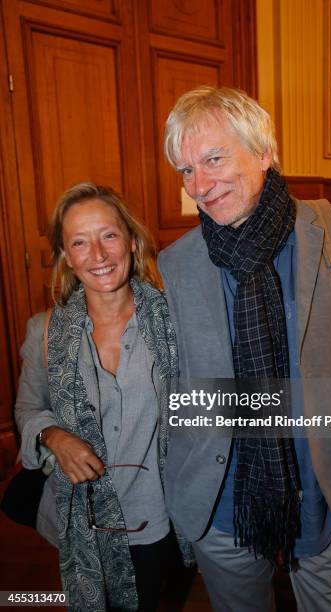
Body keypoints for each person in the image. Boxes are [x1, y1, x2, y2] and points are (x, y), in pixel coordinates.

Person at [158, 86, 331, 612]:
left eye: (214, 158)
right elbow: (175, 392)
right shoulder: (175, 264)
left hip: (329, 493)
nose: (200, 184)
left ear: (264, 151)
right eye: (186, 170)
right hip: (223, 504)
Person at [14, 182, 190, 611]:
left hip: (159, 516)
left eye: (108, 235)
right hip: (81, 522)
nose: (98, 254)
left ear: (131, 240)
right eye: (80, 242)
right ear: (66, 258)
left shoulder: (176, 321)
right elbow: (27, 408)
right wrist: (54, 435)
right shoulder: (44, 331)